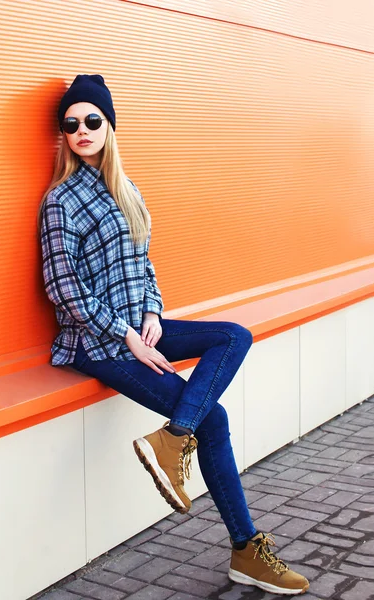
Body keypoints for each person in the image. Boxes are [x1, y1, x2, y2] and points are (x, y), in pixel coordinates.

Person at [38, 74, 309, 596]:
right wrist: (126, 335)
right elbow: (61, 285)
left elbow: (143, 263)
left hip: (141, 328)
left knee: (232, 335)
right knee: (216, 416)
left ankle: (173, 437)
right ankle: (245, 547)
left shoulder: (127, 188)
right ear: (64, 136)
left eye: (92, 120)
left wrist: (154, 314)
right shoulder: (60, 201)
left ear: (109, 125)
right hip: (97, 342)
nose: (82, 130)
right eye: (70, 125)